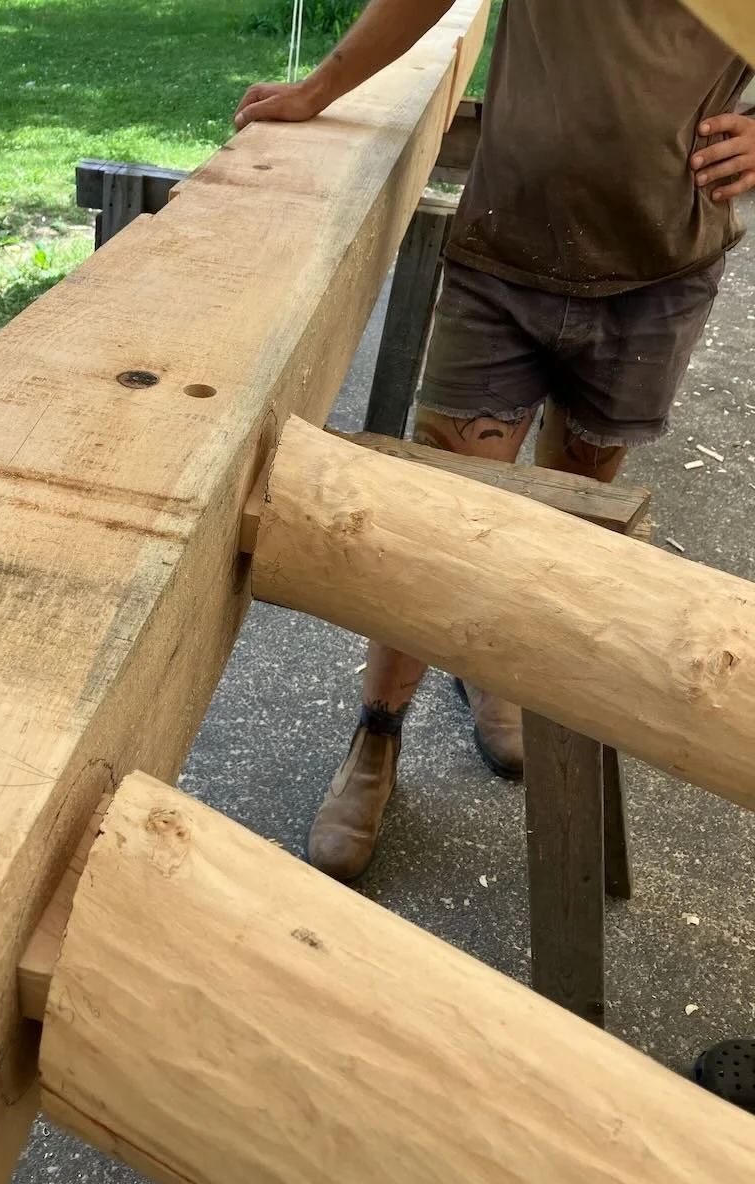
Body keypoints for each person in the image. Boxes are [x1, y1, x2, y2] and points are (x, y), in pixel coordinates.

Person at [236, 0, 755, 884]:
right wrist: (321, 89)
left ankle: (503, 676)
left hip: (658, 276)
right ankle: (378, 734)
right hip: (504, 257)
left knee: (561, 527)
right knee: (441, 523)